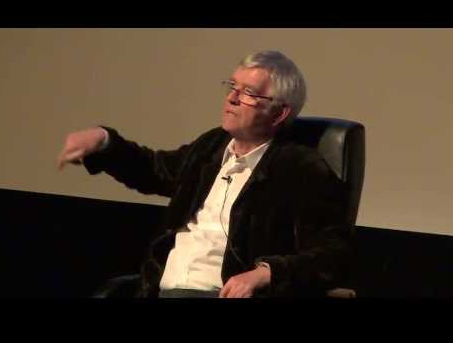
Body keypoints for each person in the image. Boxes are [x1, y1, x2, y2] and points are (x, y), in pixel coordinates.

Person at [57, 50, 351, 298]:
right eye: (232, 86)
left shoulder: (301, 169)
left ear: (279, 113)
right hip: (160, 290)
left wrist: (264, 273)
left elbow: (331, 255)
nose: (232, 98)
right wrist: (104, 142)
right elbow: (153, 170)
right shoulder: (210, 147)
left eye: (248, 93)